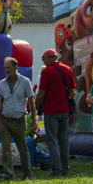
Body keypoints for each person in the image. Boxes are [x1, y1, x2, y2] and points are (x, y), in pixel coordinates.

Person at [0, 57, 36, 181]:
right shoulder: (1, 83)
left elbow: (31, 101)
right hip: (5, 119)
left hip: (19, 119)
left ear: (16, 67)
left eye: (8, 68)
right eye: (5, 68)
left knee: (22, 147)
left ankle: (27, 173)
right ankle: (9, 174)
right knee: (5, 148)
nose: (6, 70)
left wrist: (34, 120)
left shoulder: (25, 81)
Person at [34, 48, 75, 177]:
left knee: (52, 141)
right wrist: (72, 109)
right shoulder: (67, 69)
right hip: (65, 111)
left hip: (51, 110)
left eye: (43, 58)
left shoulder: (47, 72)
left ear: (49, 58)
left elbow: (41, 94)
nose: (43, 61)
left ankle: (56, 169)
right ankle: (65, 169)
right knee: (64, 140)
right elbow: (72, 91)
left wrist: (34, 108)